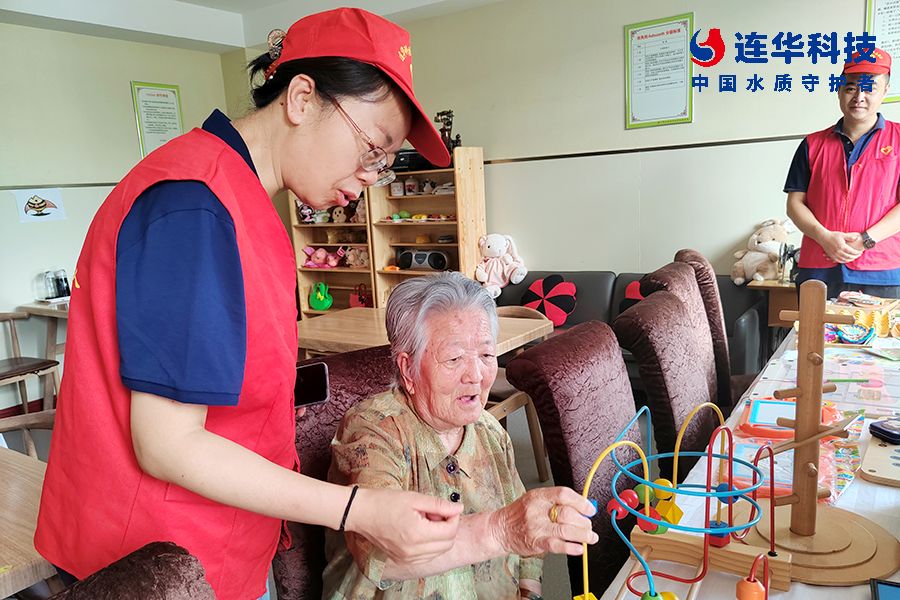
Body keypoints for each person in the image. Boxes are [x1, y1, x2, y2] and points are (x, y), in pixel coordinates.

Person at [35, 9, 466, 600]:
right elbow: (168, 443)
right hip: (159, 561)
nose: (372, 175)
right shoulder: (194, 206)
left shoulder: (242, 199)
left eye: (384, 164)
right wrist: (358, 509)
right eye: (372, 149)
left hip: (217, 539)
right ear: (302, 98)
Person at [322, 273, 598, 600]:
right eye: (454, 359)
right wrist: (501, 530)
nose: (476, 376)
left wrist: (529, 590)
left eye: (486, 356)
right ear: (408, 369)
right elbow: (385, 555)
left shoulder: (490, 431)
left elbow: (526, 541)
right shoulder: (372, 430)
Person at [785, 47, 900, 299]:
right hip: (818, 268)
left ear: (885, 91)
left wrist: (866, 239)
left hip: (881, 270)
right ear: (839, 90)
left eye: (869, 88)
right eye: (851, 87)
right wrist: (824, 237)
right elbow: (794, 204)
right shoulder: (812, 144)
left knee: (881, 328)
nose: (859, 97)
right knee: (813, 327)